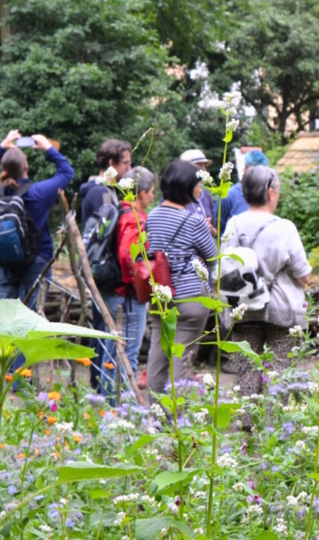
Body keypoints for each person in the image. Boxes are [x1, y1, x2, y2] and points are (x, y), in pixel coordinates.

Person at [221, 167, 312, 423]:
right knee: (279, 372)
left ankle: (247, 435)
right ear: (270, 192)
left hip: (243, 308)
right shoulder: (285, 227)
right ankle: (274, 431)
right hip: (281, 310)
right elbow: (303, 274)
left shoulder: (233, 224)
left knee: (247, 374)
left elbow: (224, 266)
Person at [0, 129, 74, 374]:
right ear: (26, 168)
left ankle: (7, 375)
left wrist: (2, 146)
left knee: (5, 319)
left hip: (6, 264)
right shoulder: (38, 193)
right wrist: (48, 148)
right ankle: (21, 379)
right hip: (37, 262)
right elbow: (67, 173)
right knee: (28, 319)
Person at [144, 160, 218, 393]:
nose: (200, 189)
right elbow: (213, 256)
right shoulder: (194, 221)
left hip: (159, 296)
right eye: (197, 184)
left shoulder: (151, 216)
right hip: (189, 299)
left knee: (157, 354)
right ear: (186, 187)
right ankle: (178, 420)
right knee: (181, 360)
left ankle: (155, 417)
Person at [97, 167, 156, 403]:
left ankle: (106, 406)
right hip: (127, 297)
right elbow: (127, 255)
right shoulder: (135, 217)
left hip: (112, 292)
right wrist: (140, 284)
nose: (152, 197)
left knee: (112, 353)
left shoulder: (118, 211)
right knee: (127, 355)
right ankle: (122, 410)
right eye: (151, 192)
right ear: (141, 193)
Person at [78, 138, 132, 389]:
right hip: (104, 272)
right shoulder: (102, 194)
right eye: (126, 164)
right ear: (111, 164)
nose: (128, 170)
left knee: (100, 327)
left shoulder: (98, 191)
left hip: (96, 270)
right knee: (103, 330)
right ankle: (100, 384)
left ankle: (98, 382)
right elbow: (102, 236)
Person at [79, 139, 132, 228]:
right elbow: (105, 230)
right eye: (126, 163)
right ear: (112, 163)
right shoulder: (102, 192)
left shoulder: (104, 189)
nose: (129, 168)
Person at [219, 149, 269, 232]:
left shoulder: (268, 194)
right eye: (254, 172)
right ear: (244, 170)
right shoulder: (229, 195)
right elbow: (218, 229)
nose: (259, 176)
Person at [180, 149, 218, 237]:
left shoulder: (206, 194)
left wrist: (210, 228)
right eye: (199, 166)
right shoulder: (174, 196)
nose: (203, 170)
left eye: (204, 166)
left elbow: (216, 232)